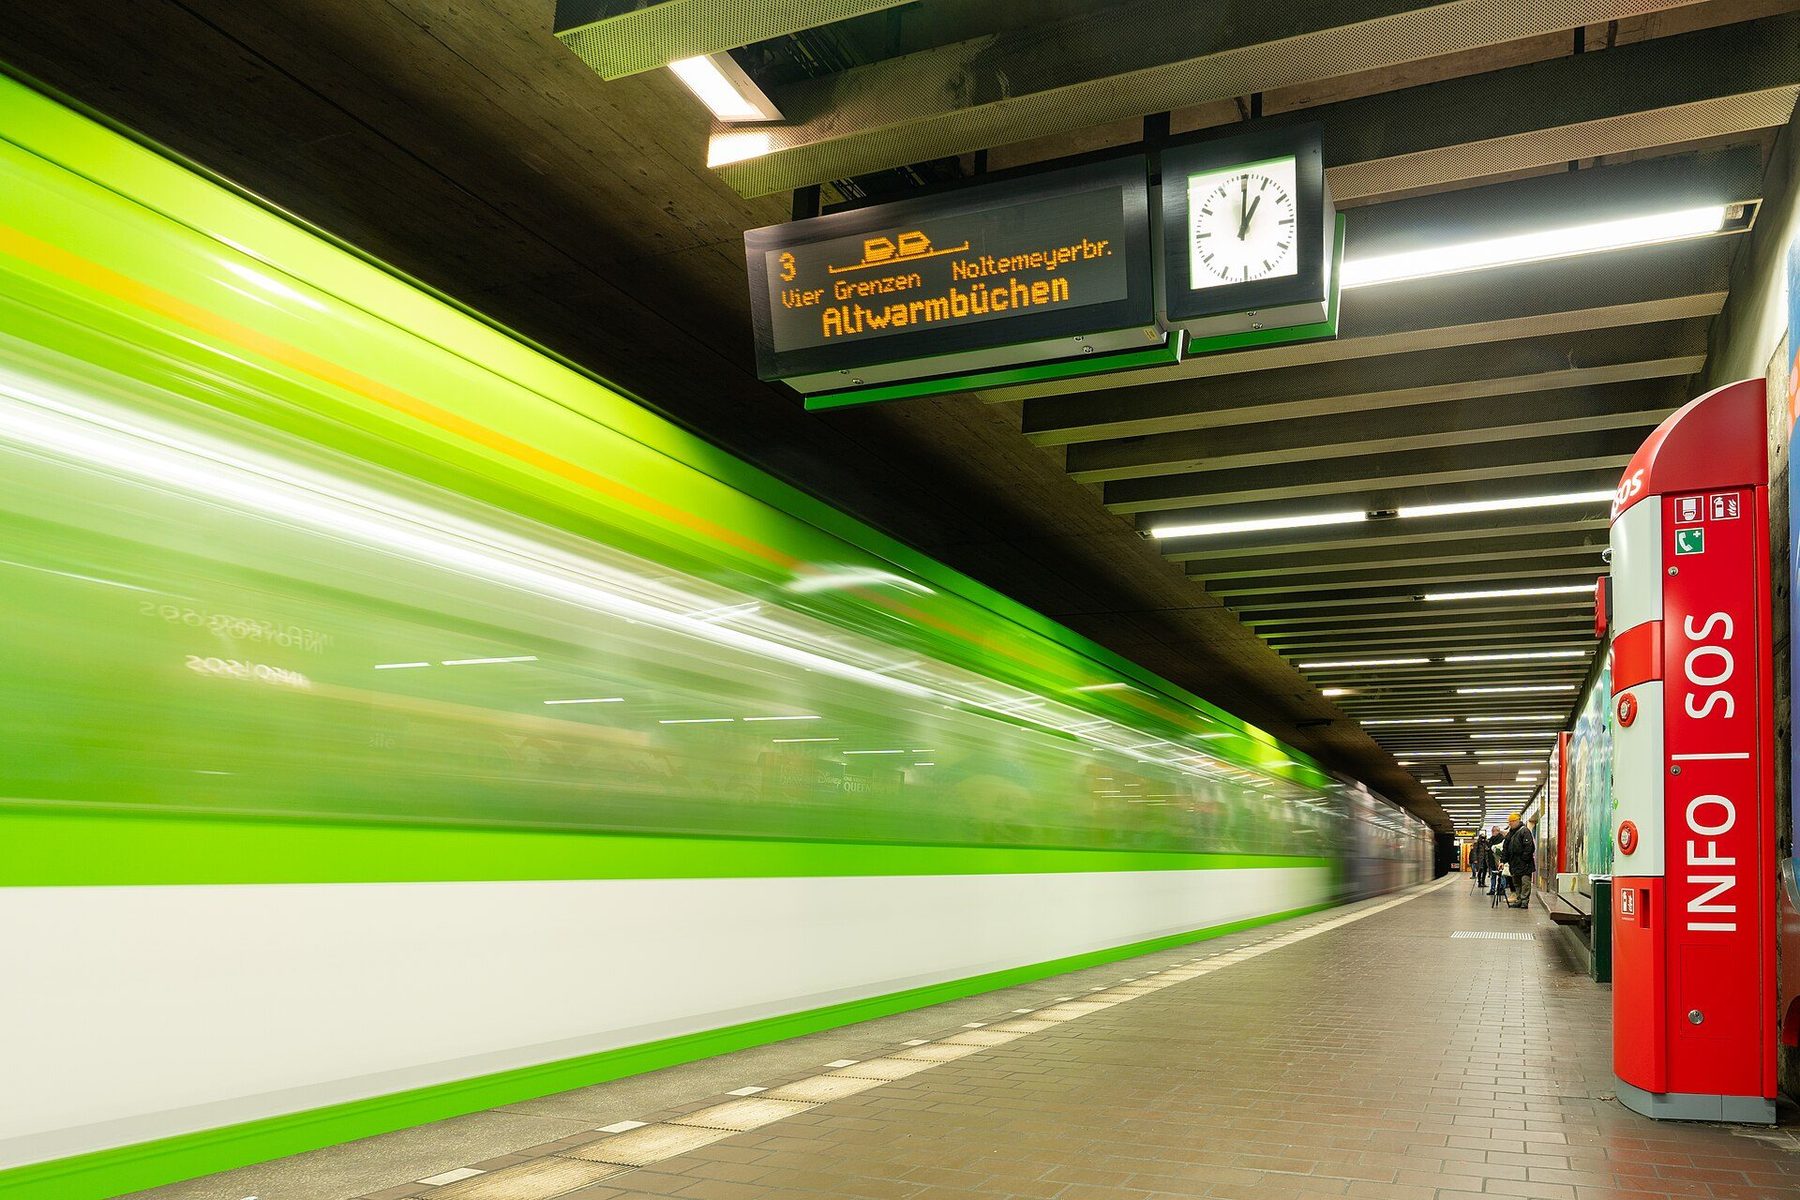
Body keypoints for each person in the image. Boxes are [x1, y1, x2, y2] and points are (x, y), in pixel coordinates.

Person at [1503, 812, 1536, 909]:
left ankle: (1524, 901)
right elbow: (1505, 848)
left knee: (1525, 883)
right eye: (1509, 822)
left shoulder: (1524, 831)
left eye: (1512, 821)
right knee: (1517, 883)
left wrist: (1523, 859)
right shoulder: (1510, 834)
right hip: (1514, 864)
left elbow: (1529, 847)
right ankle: (1519, 900)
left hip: (1525, 864)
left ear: (1518, 821)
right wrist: (1503, 860)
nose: (1510, 823)